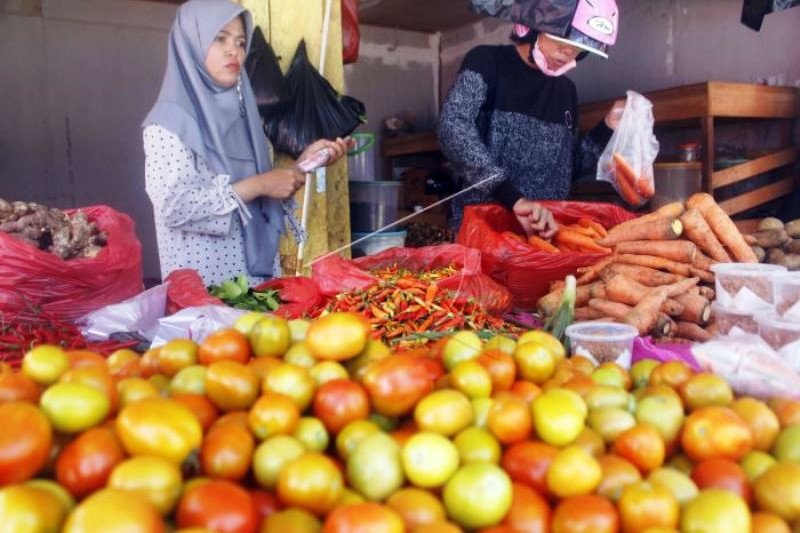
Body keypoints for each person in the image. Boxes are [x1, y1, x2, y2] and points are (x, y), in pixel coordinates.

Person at [143, 0, 348, 285]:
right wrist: (261, 184)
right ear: (190, 43)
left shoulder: (244, 115)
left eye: (241, 42)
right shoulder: (168, 123)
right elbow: (175, 207)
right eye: (220, 38)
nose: (234, 51)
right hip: (206, 289)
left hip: (257, 282)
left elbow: (260, 190)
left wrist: (303, 164)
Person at [438, 0, 625, 238]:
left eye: (581, 45)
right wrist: (512, 198)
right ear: (529, 27)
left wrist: (606, 128)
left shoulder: (567, 90)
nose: (569, 51)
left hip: (543, 236)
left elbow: (567, 170)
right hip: (483, 232)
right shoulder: (487, 62)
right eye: (561, 39)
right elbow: (453, 127)